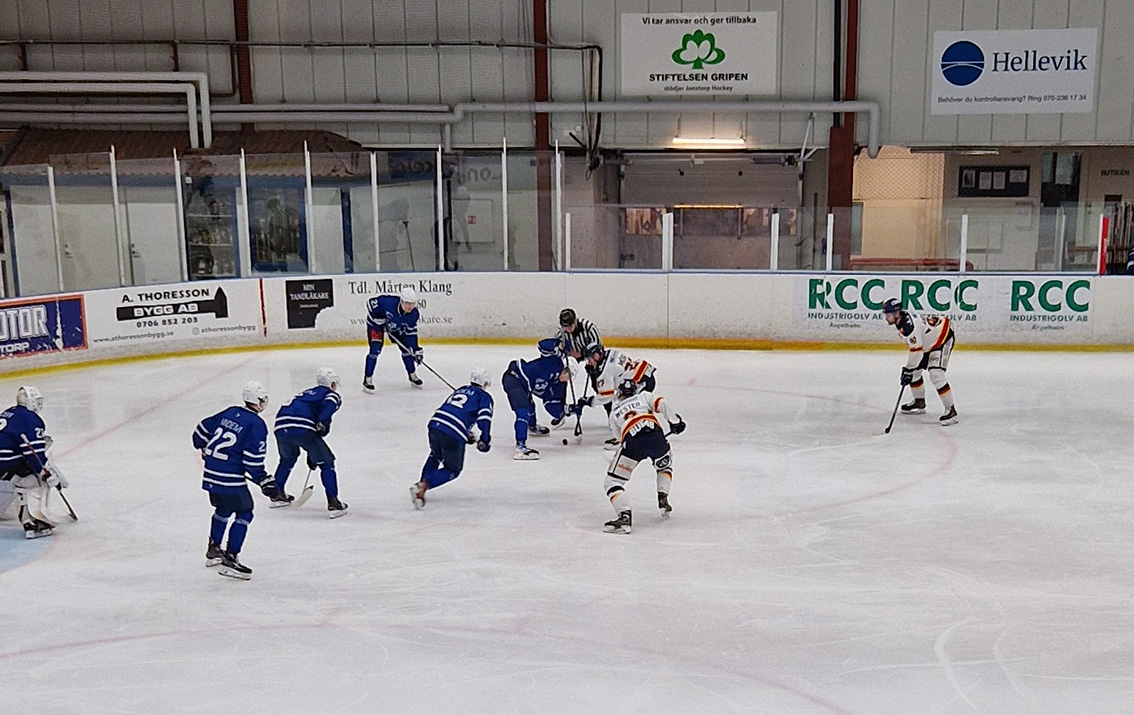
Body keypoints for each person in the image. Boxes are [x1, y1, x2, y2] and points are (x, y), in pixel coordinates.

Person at [192, 381, 280, 580]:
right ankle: (231, 558)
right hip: (229, 478)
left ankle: (214, 550)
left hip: (211, 475)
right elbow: (252, 461)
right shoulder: (256, 424)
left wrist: (203, 448)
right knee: (245, 512)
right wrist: (264, 480)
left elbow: (200, 431)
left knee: (223, 509)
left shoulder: (230, 412)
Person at [603, 378, 686, 534]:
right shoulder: (644, 396)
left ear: (620, 394)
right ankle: (663, 498)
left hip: (633, 441)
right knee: (664, 467)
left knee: (613, 481)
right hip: (656, 437)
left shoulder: (614, 413)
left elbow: (620, 438)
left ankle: (624, 516)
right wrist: (674, 421)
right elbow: (662, 403)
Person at [410, 367, 494, 509]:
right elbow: (484, 419)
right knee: (453, 470)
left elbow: (456, 411)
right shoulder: (484, 397)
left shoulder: (460, 390)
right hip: (453, 432)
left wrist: (466, 433)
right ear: (485, 383)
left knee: (436, 454)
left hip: (435, 424)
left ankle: (421, 488)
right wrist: (485, 440)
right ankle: (423, 485)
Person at [271, 367, 348, 518]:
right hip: (301, 427)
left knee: (288, 458)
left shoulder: (305, 394)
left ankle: (277, 494)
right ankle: (334, 502)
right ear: (332, 383)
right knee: (327, 463)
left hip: (280, 427)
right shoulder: (329, 394)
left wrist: (313, 453)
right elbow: (330, 405)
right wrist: (321, 421)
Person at [0, 386, 66, 539]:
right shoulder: (31, 418)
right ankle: (33, 522)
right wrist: (46, 473)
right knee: (34, 480)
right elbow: (33, 453)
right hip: (6, 462)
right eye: (37, 401)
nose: (39, 404)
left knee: (11, 478)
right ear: (31, 402)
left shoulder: (9, 412)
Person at [882, 298, 958, 425]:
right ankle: (919, 402)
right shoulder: (900, 321)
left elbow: (916, 351)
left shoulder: (909, 326)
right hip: (927, 342)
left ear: (896, 313)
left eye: (888, 314)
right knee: (914, 371)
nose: (886, 318)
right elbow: (916, 349)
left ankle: (951, 411)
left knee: (936, 374)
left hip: (942, 337)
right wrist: (910, 369)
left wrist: (908, 369)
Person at [501, 339, 581, 460]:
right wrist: (560, 343)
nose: (568, 379)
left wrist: (570, 409)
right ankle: (520, 447)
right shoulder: (552, 362)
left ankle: (532, 427)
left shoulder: (559, 385)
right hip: (514, 377)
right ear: (565, 369)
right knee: (523, 412)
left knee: (530, 405)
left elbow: (552, 407)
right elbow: (543, 345)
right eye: (568, 375)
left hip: (526, 385)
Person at [583, 346, 658, 449]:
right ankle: (648, 429)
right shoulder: (611, 352)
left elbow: (607, 396)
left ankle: (630, 437)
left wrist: (591, 401)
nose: (588, 363)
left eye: (589, 359)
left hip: (640, 382)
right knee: (632, 404)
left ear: (596, 356)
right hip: (644, 372)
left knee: (626, 407)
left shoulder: (604, 371)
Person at [363, 286, 423, 390]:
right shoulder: (387, 302)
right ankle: (367, 379)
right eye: (408, 303)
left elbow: (411, 334)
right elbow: (370, 303)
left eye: (413, 304)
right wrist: (380, 319)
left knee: (407, 349)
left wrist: (416, 349)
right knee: (375, 350)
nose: (411, 307)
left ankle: (412, 374)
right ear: (402, 301)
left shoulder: (414, 314)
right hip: (376, 326)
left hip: (395, 327)